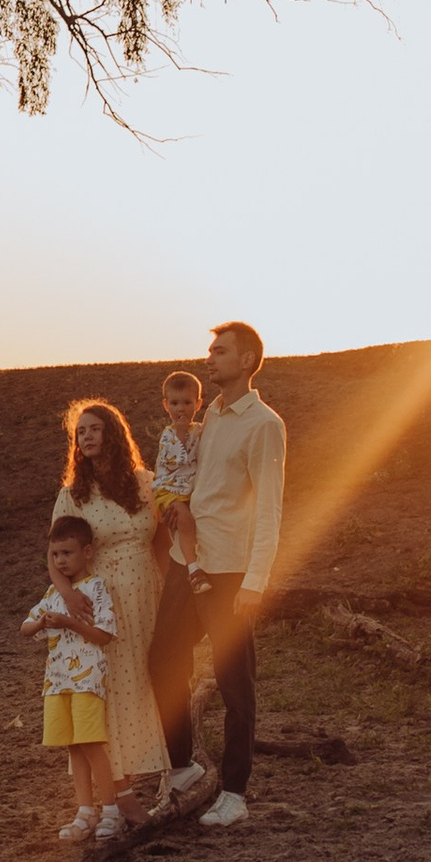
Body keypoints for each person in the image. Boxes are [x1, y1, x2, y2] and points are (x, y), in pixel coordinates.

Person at [148, 321, 287, 829]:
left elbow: (271, 509)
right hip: (190, 562)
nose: (209, 357)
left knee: (235, 683)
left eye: (220, 351)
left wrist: (256, 582)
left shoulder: (264, 424)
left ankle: (234, 792)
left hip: (230, 571)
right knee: (161, 657)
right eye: (209, 349)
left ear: (247, 360)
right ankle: (183, 766)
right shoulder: (211, 414)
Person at [51, 400, 169, 809]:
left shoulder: (145, 483)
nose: (86, 436)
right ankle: (116, 791)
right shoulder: (73, 495)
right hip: (100, 601)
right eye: (80, 431)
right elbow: (54, 555)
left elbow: (162, 543)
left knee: (144, 683)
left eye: (95, 428)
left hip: (146, 594)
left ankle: (145, 776)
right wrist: (68, 594)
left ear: (113, 434)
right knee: (110, 688)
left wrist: (174, 593)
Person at [23, 514, 122, 843]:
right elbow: (25, 627)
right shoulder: (53, 592)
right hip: (57, 683)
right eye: (55, 555)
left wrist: (68, 622)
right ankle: (85, 811)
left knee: (92, 744)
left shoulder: (96, 588)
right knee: (73, 747)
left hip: (87, 681)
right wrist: (41, 624)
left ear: (88, 552)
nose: (61, 560)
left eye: (67, 553)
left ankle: (111, 810)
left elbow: (104, 635)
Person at [150, 371, 204, 568]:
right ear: (166, 406)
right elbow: (176, 462)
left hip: (186, 488)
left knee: (191, 522)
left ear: (198, 404)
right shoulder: (169, 435)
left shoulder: (200, 429)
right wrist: (181, 435)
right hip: (170, 489)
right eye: (174, 403)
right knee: (185, 521)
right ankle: (192, 565)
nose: (181, 409)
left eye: (187, 403)